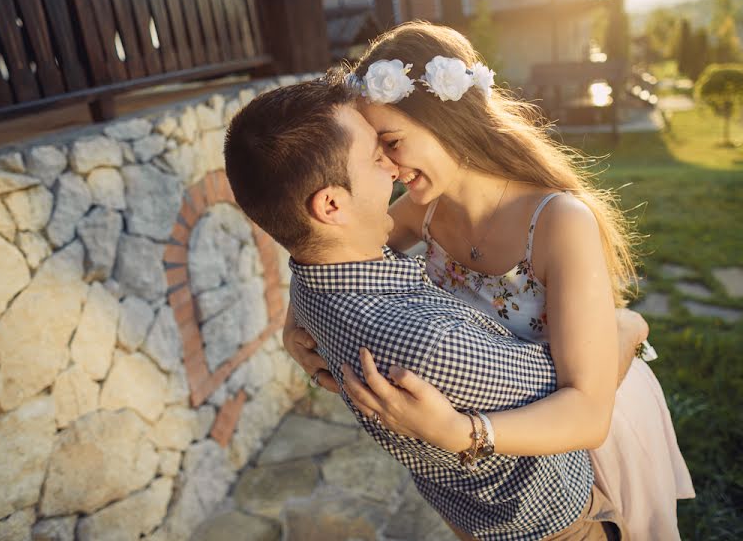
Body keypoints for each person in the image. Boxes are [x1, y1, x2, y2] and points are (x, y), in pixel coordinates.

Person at [283, 22, 695, 540]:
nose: (385, 166)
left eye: (390, 142)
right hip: (489, 475)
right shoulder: (424, 208)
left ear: (448, 121)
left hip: (577, 435)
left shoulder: (557, 222)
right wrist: (292, 322)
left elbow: (587, 410)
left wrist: (462, 433)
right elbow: (334, 250)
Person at [224, 77, 647, 540]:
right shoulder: (434, 345)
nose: (390, 167)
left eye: (391, 143)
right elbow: (582, 393)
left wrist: (294, 318)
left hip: (466, 509)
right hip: (554, 522)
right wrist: (629, 324)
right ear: (330, 205)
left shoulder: (314, 284)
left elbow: (316, 247)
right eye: (375, 154)